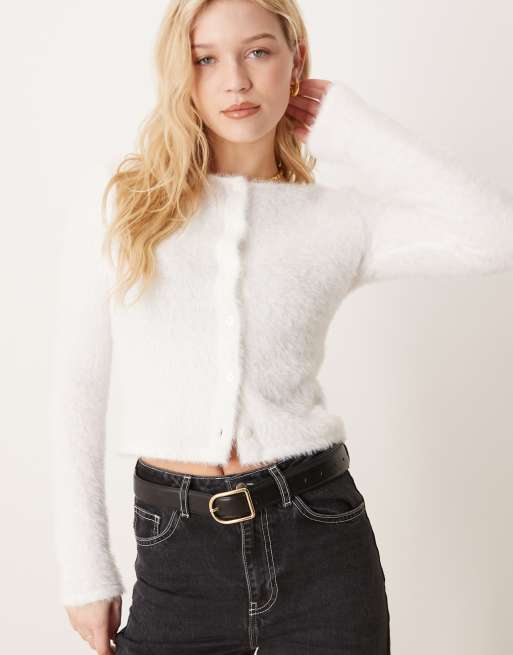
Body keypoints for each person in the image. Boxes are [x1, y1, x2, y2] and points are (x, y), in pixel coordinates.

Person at [48, 0, 513, 653]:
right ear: (181, 72)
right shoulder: (123, 204)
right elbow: (77, 385)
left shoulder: (337, 219)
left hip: (320, 541)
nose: (235, 80)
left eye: (258, 52)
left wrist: (351, 127)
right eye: (206, 59)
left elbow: (493, 235)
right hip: (176, 557)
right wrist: (85, 568)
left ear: (297, 61)